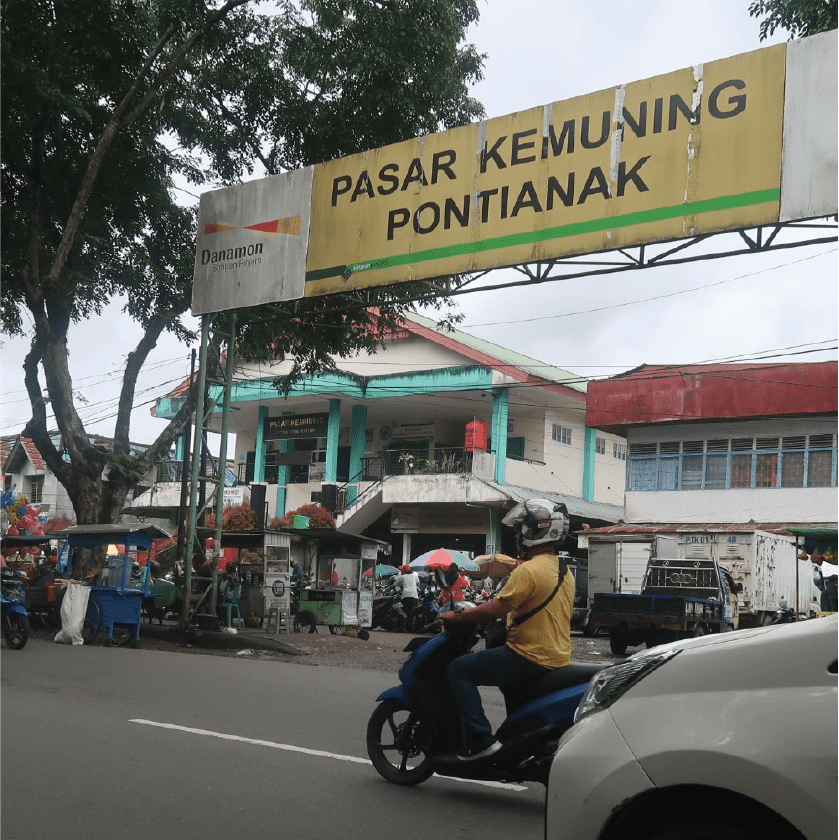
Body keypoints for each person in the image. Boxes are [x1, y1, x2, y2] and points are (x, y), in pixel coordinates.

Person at [440, 499, 573, 761]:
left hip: (527, 657)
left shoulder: (529, 570)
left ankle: (479, 741)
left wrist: (456, 615)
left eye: (521, 529)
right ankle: (514, 742)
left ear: (537, 531)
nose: (517, 535)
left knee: (458, 670)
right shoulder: (563, 570)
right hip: (557, 658)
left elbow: (495, 610)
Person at [392, 564, 420, 631]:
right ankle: (411, 628)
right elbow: (418, 583)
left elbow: (394, 584)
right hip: (414, 595)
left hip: (406, 595)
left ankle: (404, 628)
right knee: (413, 612)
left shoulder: (402, 577)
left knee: (405, 612)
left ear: (404, 571)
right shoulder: (415, 576)